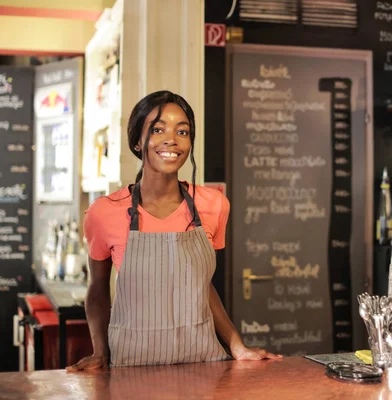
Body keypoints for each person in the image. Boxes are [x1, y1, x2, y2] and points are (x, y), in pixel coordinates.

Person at [67, 91, 281, 369]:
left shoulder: (213, 205)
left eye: (183, 131)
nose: (172, 139)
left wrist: (237, 346)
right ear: (137, 142)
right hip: (131, 367)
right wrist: (101, 353)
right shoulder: (104, 212)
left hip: (204, 365)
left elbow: (201, 286)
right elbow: (97, 291)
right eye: (158, 129)